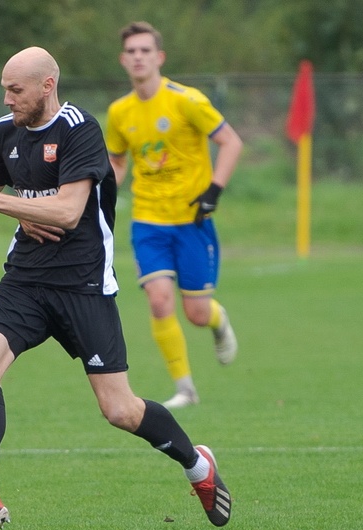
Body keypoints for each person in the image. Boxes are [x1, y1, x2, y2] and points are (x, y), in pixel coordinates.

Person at [0, 47, 232, 530]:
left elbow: (69, 212)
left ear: (47, 85)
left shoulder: (79, 129)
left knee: (119, 410)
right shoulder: (5, 132)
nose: (7, 99)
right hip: (24, 279)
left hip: (82, 283)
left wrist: (0, 202)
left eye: (16, 90)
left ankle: (197, 464)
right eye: (4, 89)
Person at [105, 21, 243, 409]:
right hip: (149, 221)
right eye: (131, 51)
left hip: (192, 221)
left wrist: (214, 190)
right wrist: (100, 188)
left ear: (159, 57)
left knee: (196, 313)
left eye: (145, 50)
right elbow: (117, 162)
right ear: (122, 59)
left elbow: (231, 141)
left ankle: (219, 322)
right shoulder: (119, 112)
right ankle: (185, 387)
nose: (138, 57)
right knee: (159, 300)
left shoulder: (187, 100)